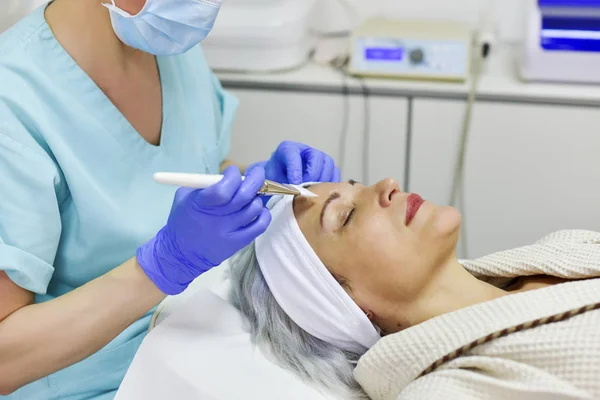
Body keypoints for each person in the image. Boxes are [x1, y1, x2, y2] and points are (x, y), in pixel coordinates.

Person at [0, 0, 341, 398]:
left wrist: (261, 188)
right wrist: (161, 266)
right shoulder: (15, 104)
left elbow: (199, 161)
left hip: (195, 345)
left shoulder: (167, 47)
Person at [229, 179, 600, 399]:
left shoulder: (561, 250)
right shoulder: (451, 390)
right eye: (347, 215)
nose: (387, 184)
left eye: (356, 185)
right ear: (346, 305)